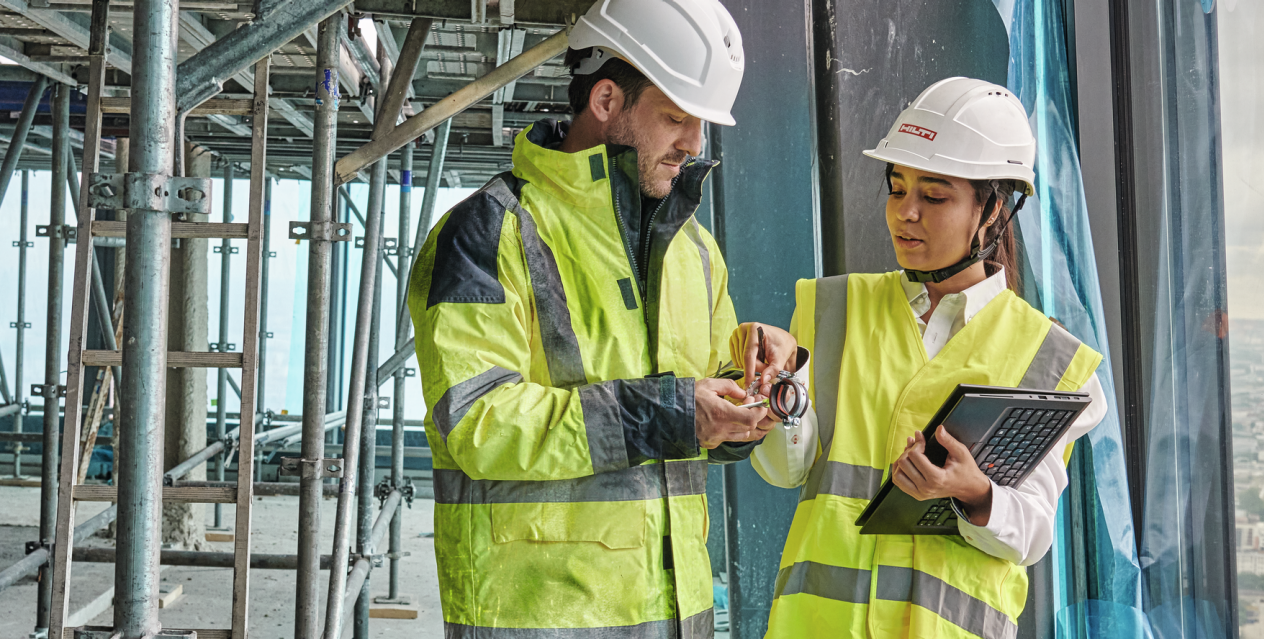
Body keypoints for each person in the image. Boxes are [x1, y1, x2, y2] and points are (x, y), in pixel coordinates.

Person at [406, 1, 790, 636]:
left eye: (700, 123)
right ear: (607, 100)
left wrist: (747, 405)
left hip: (673, 619)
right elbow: (476, 422)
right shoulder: (489, 231)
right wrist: (668, 413)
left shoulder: (694, 246)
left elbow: (694, 414)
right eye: (676, 116)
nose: (694, 143)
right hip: (539, 618)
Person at [738, 77, 1109, 638]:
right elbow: (787, 471)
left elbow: (1032, 535)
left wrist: (972, 492)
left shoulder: (1045, 358)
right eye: (896, 188)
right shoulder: (832, 308)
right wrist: (777, 389)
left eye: (934, 196)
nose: (905, 213)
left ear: (994, 211)